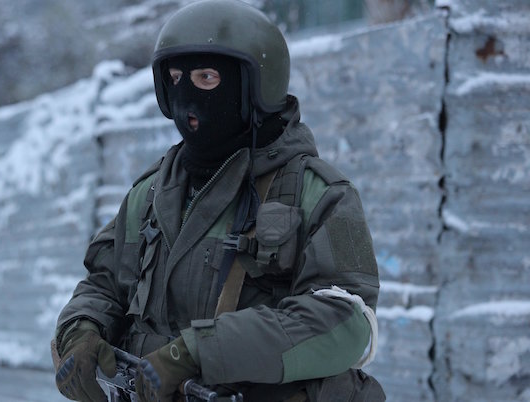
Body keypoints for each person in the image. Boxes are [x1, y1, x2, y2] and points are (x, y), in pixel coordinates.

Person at [52, 0, 385, 401]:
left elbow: (347, 324)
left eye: (207, 78)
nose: (186, 98)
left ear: (256, 86)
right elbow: (103, 285)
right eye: (174, 78)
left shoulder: (316, 192)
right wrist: (81, 333)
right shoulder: (152, 192)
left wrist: (200, 351)